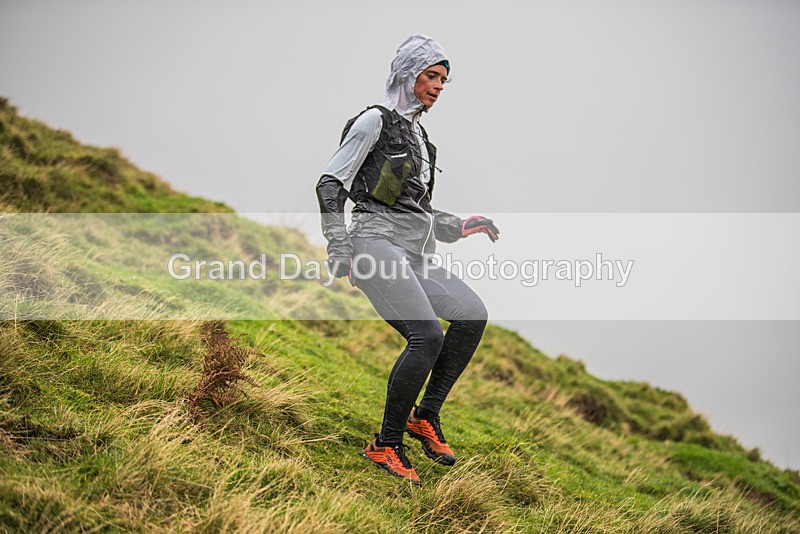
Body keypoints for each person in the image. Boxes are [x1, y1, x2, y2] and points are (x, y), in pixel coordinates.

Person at [315, 35, 500, 486]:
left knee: (473, 314)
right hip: (374, 244)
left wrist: (461, 224)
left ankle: (425, 416)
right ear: (407, 74)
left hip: (413, 251)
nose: (438, 87)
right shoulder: (372, 122)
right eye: (431, 76)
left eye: (444, 80)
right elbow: (329, 185)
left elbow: (416, 210)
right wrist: (340, 248)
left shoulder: (422, 140)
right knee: (427, 337)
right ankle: (386, 444)